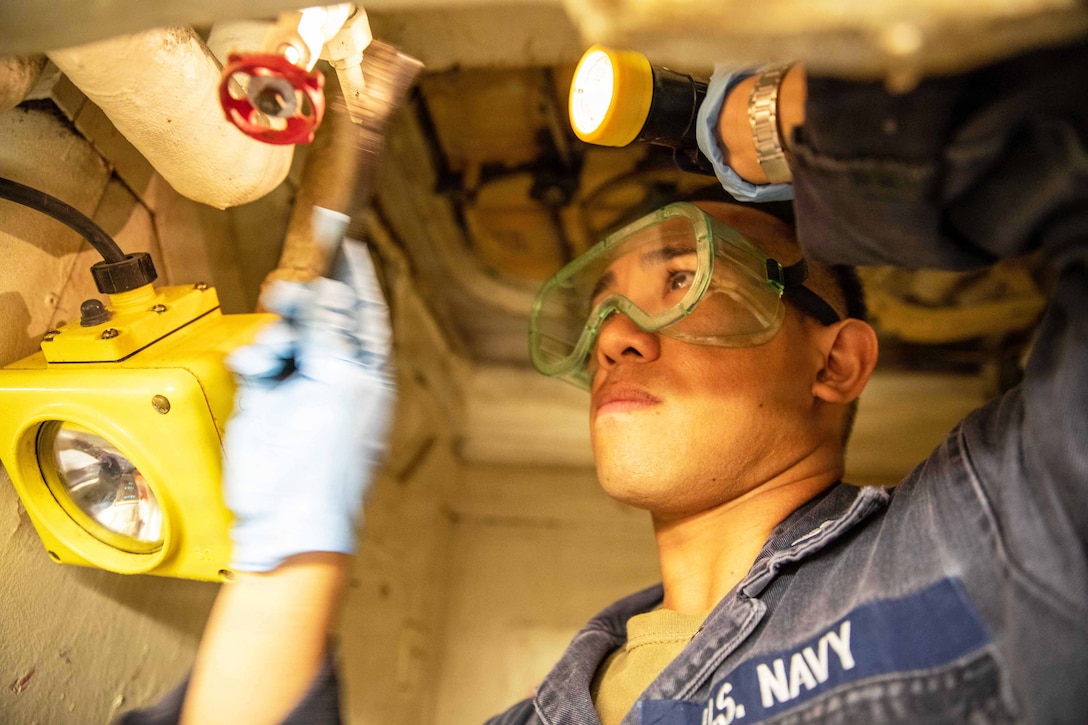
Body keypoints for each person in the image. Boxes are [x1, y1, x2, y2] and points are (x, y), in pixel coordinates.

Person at [124, 36, 1088, 725]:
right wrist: (284, 564)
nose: (617, 335)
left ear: (836, 359)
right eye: (605, 308)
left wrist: (777, 123)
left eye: (684, 277)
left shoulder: (997, 537)